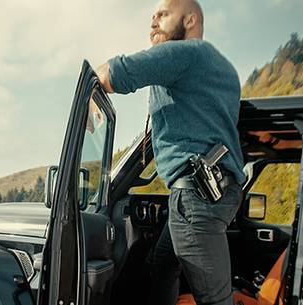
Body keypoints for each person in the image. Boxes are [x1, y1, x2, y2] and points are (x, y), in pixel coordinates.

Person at [94, 0, 247, 305]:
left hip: (195, 198)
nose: (153, 23)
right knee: (162, 264)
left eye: (163, 15)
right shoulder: (223, 68)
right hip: (220, 193)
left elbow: (114, 73)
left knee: (215, 299)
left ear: (190, 20)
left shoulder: (184, 53)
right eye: (152, 17)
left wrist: (91, 92)